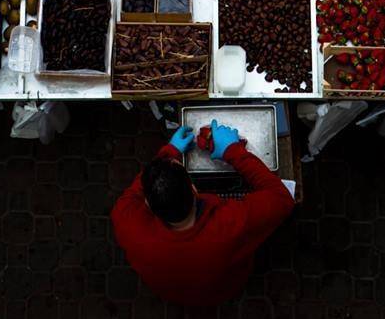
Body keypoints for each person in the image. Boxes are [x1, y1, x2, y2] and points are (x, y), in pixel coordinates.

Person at [110, 119, 295, 307]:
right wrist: (233, 150)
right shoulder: (230, 225)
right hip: (224, 288)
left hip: (172, 292)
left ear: (148, 204)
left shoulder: (126, 220)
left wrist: (170, 151)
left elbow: (136, 191)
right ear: (194, 189)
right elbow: (282, 198)